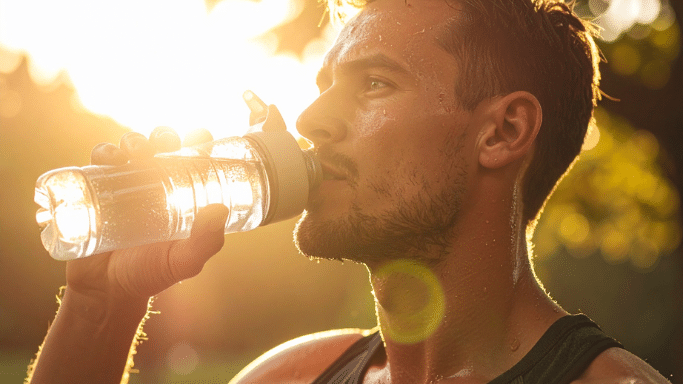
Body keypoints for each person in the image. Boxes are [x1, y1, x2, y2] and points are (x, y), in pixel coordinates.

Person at [27, 0, 671, 383]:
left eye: (375, 85)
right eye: (327, 82)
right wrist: (101, 309)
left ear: (503, 131)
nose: (309, 120)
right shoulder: (294, 375)